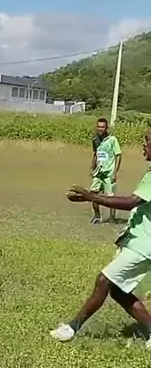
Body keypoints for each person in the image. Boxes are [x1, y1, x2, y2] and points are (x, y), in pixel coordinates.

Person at [51, 128, 151, 348]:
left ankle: (71, 328)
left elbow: (131, 202)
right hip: (138, 241)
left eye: (147, 140)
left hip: (144, 245)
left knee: (104, 281)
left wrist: (92, 196)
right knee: (117, 290)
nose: (144, 144)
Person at [89, 117, 121, 223]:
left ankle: (112, 218)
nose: (100, 129)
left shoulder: (112, 140)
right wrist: (92, 167)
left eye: (102, 127)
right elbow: (95, 154)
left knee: (111, 197)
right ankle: (97, 216)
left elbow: (118, 155)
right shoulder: (95, 139)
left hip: (109, 173)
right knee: (93, 194)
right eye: (98, 126)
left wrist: (115, 172)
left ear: (106, 128)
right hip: (98, 172)